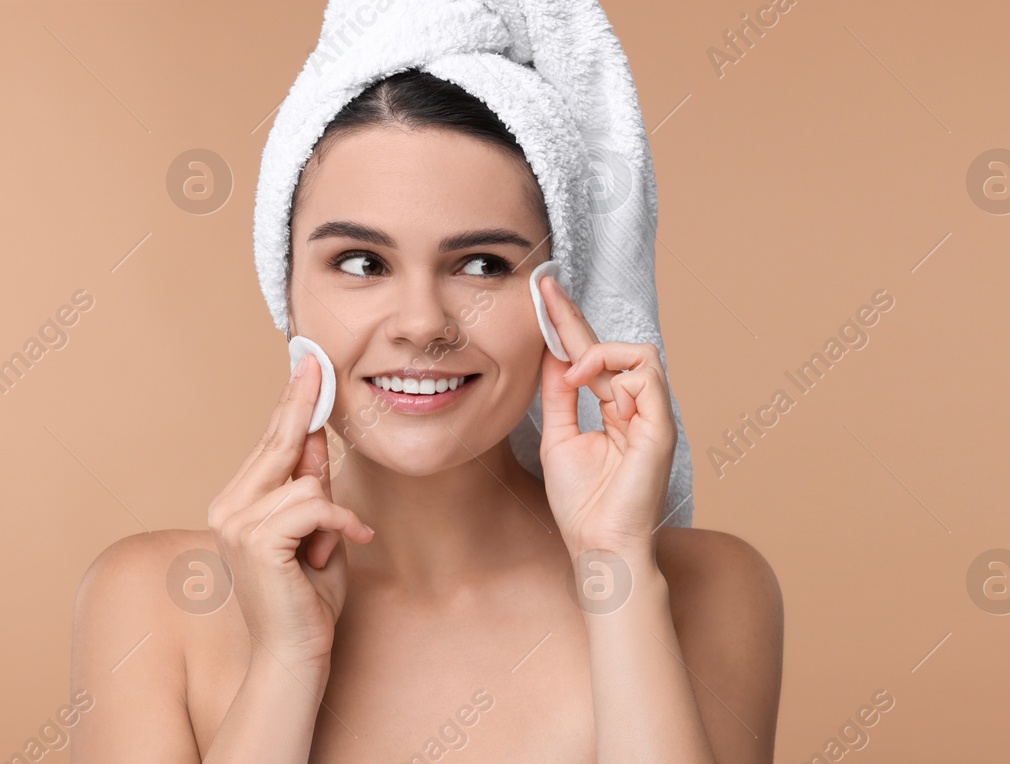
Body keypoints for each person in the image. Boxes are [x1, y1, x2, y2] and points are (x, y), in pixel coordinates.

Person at [69, 68, 783, 763]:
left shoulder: (709, 587)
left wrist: (616, 567)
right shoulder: (151, 603)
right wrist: (288, 663)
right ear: (283, 288)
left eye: (480, 265)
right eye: (360, 263)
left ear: (559, 299)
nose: (422, 325)